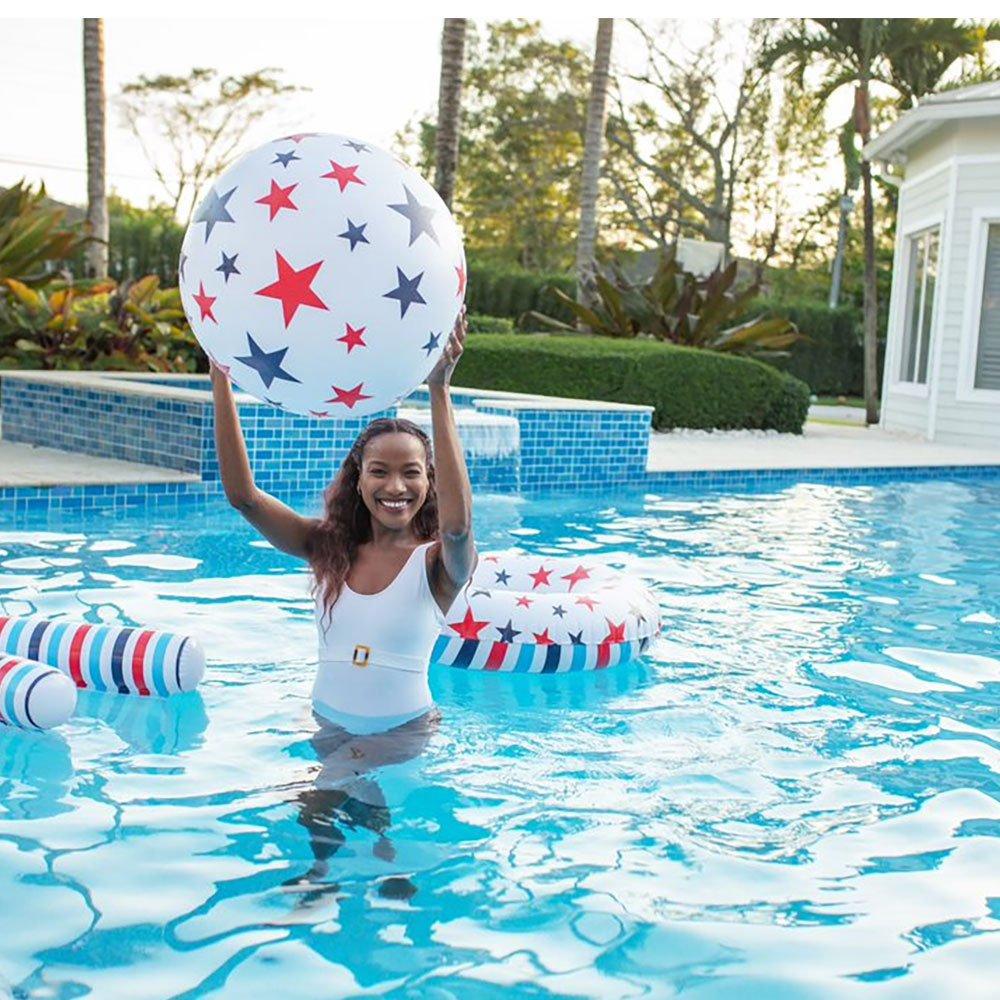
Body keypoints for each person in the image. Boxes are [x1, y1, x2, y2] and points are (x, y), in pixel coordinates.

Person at [210, 306, 476, 736]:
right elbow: (244, 498)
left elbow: (458, 528)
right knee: (315, 801)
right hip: (326, 724)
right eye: (379, 472)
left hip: (400, 734)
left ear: (430, 481)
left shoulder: (438, 565)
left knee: (325, 800)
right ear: (358, 480)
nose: (395, 487)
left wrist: (439, 390)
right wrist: (219, 374)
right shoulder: (328, 547)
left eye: (411, 472)